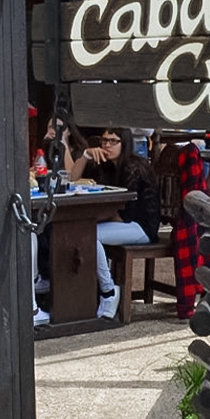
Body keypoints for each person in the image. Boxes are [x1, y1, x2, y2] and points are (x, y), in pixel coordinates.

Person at [70, 126, 161, 320]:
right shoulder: (107, 165)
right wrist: (86, 155)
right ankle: (98, 291)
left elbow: (127, 211)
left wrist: (100, 217)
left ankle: (109, 291)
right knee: (83, 232)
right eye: (104, 141)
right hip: (122, 222)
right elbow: (73, 178)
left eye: (113, 141)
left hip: (142, 227)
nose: (107, 145)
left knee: (89, 235)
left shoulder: (133, 166)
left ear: (124, 143)